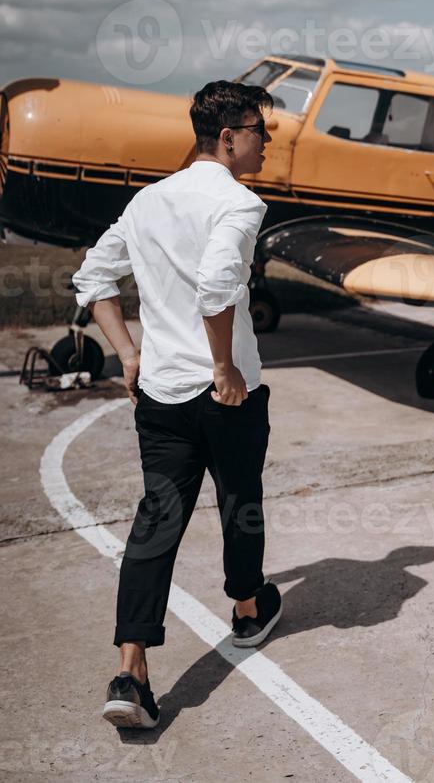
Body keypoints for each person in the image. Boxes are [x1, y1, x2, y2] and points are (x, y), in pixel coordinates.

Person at [71, 80, 281, 730]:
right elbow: (219, 284)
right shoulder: (240, 204)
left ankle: (130, 670)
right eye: (259, 131)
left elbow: (93, 279)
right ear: (227, 137)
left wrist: (128, 355)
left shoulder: (145, 202)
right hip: (227, 395)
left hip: (158, 394)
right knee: (240, 500)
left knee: (157, 522)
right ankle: (248, 610)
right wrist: (222, 367)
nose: (266, 143)